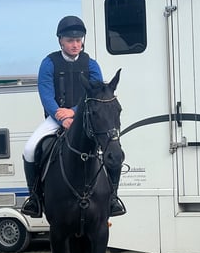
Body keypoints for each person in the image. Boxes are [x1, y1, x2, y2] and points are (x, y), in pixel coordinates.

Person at [21, 15, 126, 218]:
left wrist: (74, 112)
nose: (75, 44)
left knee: (113, 148)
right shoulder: (49, 63)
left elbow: (96, 93)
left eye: (78, 40)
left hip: (85, 116)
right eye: (70, 41)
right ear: (61, 40)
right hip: (55, 117)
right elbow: (46, 95)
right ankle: (34, 198)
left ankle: (113, 197)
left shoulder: (92, 64)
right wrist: (61, 117)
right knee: (29, 148)